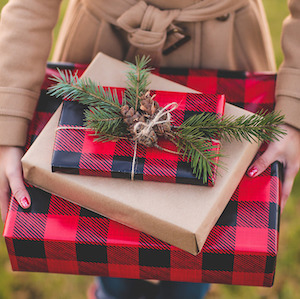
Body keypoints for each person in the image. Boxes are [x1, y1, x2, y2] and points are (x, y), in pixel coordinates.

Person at [0, 0, 299, 298]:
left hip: (224, 52)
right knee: (101, 233)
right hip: (106, 47)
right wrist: (8, 119)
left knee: (199, 252)